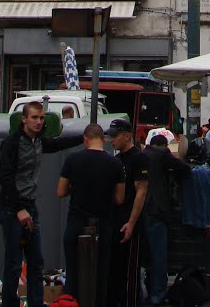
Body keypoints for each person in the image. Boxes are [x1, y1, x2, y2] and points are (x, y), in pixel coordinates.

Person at [0, 101, 82, 307]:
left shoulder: (39, 142)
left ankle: (36, 303)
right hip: (13, 208)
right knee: (14, 263)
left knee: (36, 262)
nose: (38, 122)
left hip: (31, 206)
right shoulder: (12, 143)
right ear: (24, 119)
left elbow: (57, 144)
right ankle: (9, 303)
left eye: (41, 118)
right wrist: (19, 210)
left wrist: (84, 137)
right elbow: (6, 179)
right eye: (34, 117)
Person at [57, 123, 126, 307]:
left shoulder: (73, 159)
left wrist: (77, 187)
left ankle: (72, 303)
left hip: (76, 222)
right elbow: (120, 198)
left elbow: (61, 191)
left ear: (85, 140)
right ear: (103, 140)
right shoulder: (115, 163)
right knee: (101, 274)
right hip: (102, 225)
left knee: (73, 272)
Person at [142, 131, 192, 305]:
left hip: (141, 209)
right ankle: (158, 293)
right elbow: (185, 169)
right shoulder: (162, 154)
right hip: (156, 209)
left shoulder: (143, 154)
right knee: (158, 254)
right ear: (164, 145)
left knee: (147, 254)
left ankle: (148, 289)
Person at [106, 119, 149, 307]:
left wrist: (131, 222)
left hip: (130, 221)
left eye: (114, 136)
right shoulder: (116, 160)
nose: (111, 139)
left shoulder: (138, 158)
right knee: (115, 269)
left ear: (126, 136)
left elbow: (141, 191)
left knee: (130, 272)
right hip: (116, 220)